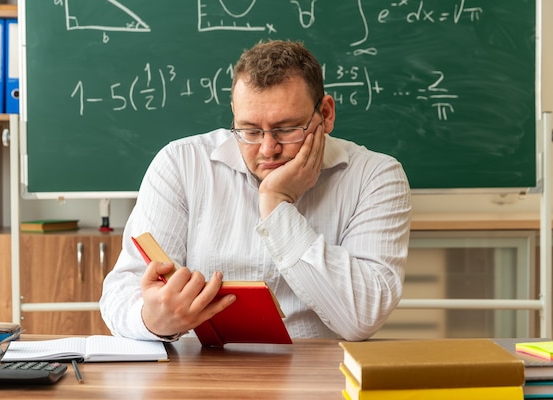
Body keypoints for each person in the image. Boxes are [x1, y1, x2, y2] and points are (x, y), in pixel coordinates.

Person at [100, 39, 411, 342]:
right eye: (249, 130)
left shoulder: (376, 176)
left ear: (325, 114)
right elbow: (121, 292)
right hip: (198, 372)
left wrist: (277, 205)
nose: (267, 148)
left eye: (287, 129)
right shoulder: (181, 164)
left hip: (318, 377)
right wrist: (151, 320)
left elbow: (361, 319)